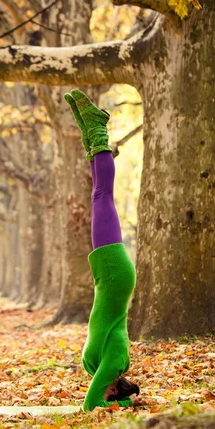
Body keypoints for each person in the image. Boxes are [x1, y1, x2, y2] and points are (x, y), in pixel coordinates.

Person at [64, 90, 146, 411]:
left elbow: (93, 391)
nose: (106, 394)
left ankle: (91, 136)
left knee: (99, 198)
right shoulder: (115, 363)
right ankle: (98, 132)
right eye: (112, 395)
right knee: (102, 197)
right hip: (113, 275)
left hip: (109, 276)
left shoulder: (99, 368)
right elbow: (90, 405)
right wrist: (126, 403)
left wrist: (121, 399)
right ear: (115, 390)